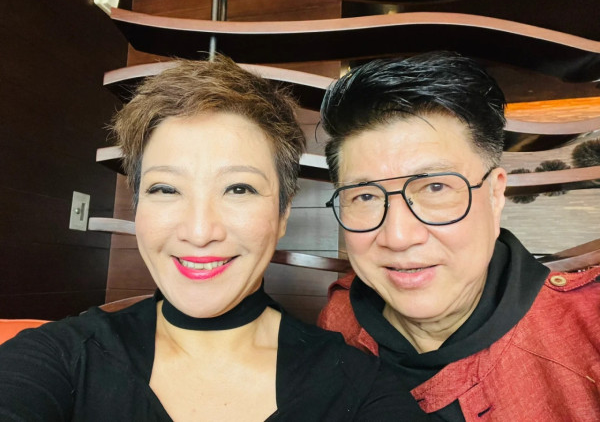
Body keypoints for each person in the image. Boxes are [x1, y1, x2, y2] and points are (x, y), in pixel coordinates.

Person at [0, 57, 428, 421]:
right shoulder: (59, 357)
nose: (200, 231)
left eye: (238, 189)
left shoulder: (358, 389)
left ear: (283, 213)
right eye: (166, 189)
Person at [317, 52, 600, 421]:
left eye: (435, 187)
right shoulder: (340, 316)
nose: (398, 237)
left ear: (495, 195)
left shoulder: (587, 332)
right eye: (366, 196)